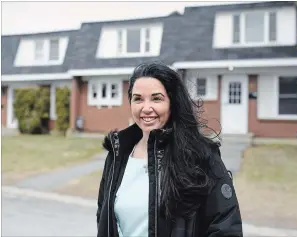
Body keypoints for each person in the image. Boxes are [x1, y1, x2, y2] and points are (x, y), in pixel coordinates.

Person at [96, 62, 243, 237]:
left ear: (172, 103)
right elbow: (104, 220)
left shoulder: (201, 156)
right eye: (138, 99)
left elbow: (225, 227)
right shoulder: (117, 155)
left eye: (156, 98)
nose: (146, 108)